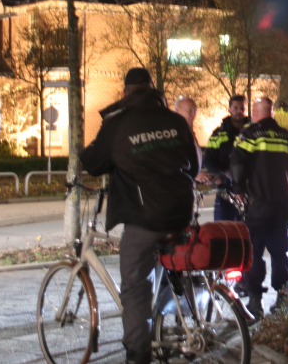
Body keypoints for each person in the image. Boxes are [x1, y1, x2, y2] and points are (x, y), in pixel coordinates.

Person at [80, 68, 200, 364]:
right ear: (153, 90)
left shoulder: (118, 123)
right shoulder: (175, 121)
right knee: (165, 266)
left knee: (134, 287)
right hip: (182, 210)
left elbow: (94, 163)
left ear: (124, 93)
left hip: (146, 215)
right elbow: (195, 165)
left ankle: (138, 355)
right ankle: (168, 319)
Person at [230, 97, 288, 320]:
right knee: (281, 254)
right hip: (283, 207)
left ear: (255, 111)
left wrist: (238, 190)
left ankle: (255, 303)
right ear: (272, 112)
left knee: (254, 255)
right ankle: (282, 299)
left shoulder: (248, 134)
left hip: (257, 207)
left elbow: (237, 163)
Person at [205, 95, 249, 221]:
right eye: (235, 107)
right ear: (229, 109)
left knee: (248, 232)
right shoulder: (219, 133)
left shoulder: (253, 131)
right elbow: (208, 160)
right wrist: (223, 173)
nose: (239, 111)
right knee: (223, 228)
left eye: (242, 107)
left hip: (249, 188)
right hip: (225, 187)